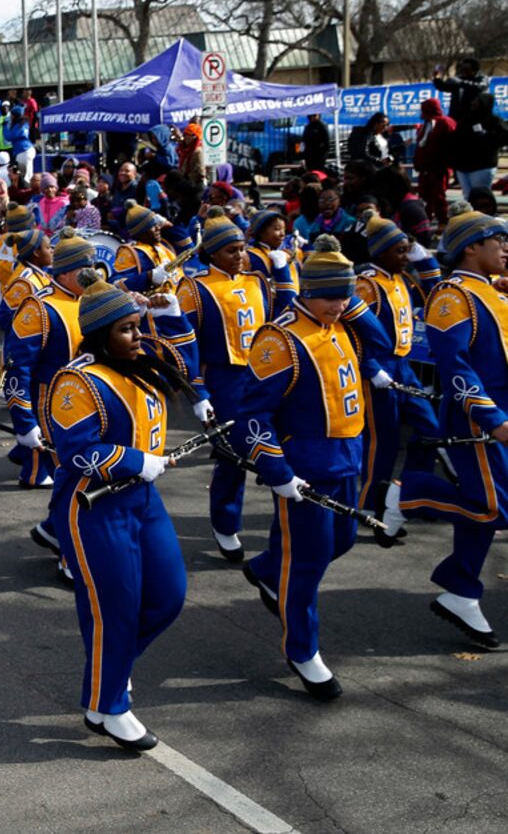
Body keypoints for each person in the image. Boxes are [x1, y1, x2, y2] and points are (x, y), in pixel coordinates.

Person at [47, 272, 193, 750]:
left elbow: (189, 366)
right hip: (94, 507)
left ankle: (113, 672)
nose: (138, 335)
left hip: (143, 500)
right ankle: (106, 705)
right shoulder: (77, 381)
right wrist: (136, 460)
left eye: (139, 326)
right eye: (127, 329)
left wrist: (170, 315)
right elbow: (77, 452)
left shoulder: (139, 363)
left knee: (168, 595)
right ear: (101, 334)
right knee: (116, 609)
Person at [235, 239, 368, 700]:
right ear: (307, 291)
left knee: (342, 541)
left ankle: (271, 568)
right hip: (305, 473)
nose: (341, 305)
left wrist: (349, 303)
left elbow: (387, 342)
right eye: (331, 296)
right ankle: (302, 650)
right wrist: (277, 470)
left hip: (347, 458)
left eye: (346, 296)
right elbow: (253, 416)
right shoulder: (280, 339)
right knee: (308, 562)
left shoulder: (341, 323)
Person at [385, 211, 508, 648]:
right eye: (498, 239)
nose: (505, 247)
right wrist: (493, 420)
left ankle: (461, 589)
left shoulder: (490, 291)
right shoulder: (452, 296)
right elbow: (456, 368)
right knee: (498, 508)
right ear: (471, 247)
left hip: (501, 411)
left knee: (484, 506)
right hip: (480, 418)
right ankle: (409, 491)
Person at [176, 209, 271, 562]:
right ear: (212, 253)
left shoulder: (258, 281)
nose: (241, 256)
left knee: (278, 447)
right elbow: (185, 343)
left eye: (243, 248)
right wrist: (197, 390)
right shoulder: (196, 289)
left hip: (263, 376)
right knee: (234, 453)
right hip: (225, 379)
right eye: (231, 250)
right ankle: (225, 522)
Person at [351, 213, 440, 515]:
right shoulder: (367, 285)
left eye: (406, 250)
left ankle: (415, 495)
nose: (405, 257)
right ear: (380, 252)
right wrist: (370, 368)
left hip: (405, 367)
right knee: (383, 441)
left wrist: (423, 258)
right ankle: (369, 504)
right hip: (380, 368)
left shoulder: (402, 280)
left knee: (431, 429)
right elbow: (353, 334)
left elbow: (436, 292)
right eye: (399, 251)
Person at [6, 230, 97, 496]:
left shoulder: (89, 299)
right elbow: (18, 368)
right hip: (52, 401)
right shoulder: (39, 307)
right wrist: (24, 422)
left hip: (86, 399)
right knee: (69, 478)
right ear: (65, 272)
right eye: (85, 267)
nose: (92, 273)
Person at [449, 92, 508, 198]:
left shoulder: (494, 121)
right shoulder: (466, 120)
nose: (473, 103)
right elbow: (455, 140)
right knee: (467, 197)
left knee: (481, 198)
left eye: (477, 101)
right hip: (463, 167)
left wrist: (486, 135)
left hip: (482, 167)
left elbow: (504, 138)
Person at [243, 205, 300, 312]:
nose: (282, 234)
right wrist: (281, 268)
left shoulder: (283, 253)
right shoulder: (253, 256)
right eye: (277, 229)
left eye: (284, 229)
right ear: (260, 232)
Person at [414, 98, 456, 226]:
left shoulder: (445, 123)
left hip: (439, 168)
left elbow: (452, 145)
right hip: (424, 169)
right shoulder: (425, 125)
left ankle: (442, 222)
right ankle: (425, 222)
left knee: (438, 196)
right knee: (424, 196)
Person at [433, 57, 489, 125]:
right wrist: (437, 78)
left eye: (466, 69)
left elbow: (479, 87)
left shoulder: (482, 78)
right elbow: (444, 87)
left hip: (473, 116)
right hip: (457, 116)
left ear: (474, 70)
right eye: (461, 69)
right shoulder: (460, 79)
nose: (463, 72)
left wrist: (461, 83)